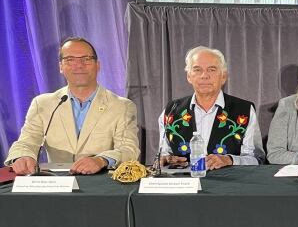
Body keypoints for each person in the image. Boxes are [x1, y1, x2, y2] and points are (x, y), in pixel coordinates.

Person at [4, 37, 140, 175]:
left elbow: (129, 150)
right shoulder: (42, 104)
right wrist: (22, 156)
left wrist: (101, 160)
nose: (79, 65)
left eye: (86, 59)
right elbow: (27, 142)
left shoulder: (122, 106)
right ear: (61, 67)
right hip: (56, 183)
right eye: (70, 60)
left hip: (101, 183)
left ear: (98, 65)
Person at [158, 46, 264, 170]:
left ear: (223, 76)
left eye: (212, 70)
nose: (204, 76)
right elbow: (164, 154)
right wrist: (166, 159)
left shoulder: (244, 110)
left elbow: (257, 159)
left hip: (229, 185)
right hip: (185, 185)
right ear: (188, 76)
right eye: (197, 70)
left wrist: (230, 159)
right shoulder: (171, 110)